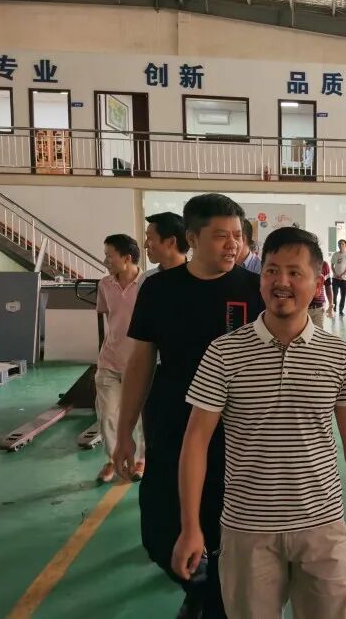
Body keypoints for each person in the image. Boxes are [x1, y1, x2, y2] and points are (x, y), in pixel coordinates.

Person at [173, 227, 346, 619]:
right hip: (247, 529)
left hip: (321, 524)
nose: (281, 282)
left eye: (295, 272)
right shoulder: (224, 352)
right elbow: (196, 440)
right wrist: (190, 526)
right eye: (271, 270)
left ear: (317, 283)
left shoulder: (336, 353)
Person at [113, 193, 264, 619]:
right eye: (220, 236)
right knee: (161, 528)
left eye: (237, 235)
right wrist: (125, 432)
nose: (233, 245)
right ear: (192, 238)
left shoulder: (254, 290)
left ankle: (212, 597)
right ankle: (197, 584)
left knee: (226, 526)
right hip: (173, 422)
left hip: (237, 429)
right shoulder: (159, 289)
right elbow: (141, 362)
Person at [94, 234, 145, 484]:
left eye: (109, 256)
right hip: (109, 362)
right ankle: (113, 460)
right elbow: (110, 319)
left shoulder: (147, 283)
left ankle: (140, 460)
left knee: (142, 417)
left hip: (140, 363)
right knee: (107, 415)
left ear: (127, 258)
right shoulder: (105, 284)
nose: (106, 261)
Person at [144, 212, 189, 276]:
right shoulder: (146, 278)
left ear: (171, 242)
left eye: (149, 238)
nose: (145, 245)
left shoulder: (199, 277)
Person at [308, 259, 334, 329]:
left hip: (319, 308)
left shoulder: (324, 265)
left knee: (318, 332)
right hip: (303, 307)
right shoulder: (302, 262)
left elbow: (328, 286)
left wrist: (331, 305)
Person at [331, 239, 346, 316]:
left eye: (342, 244)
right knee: (335, 295)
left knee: (343, 296)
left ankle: (341, 311)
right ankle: (334, 310)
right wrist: (335, 273)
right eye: (339, 244)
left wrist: (343, 275)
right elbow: (332, 265)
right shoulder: (335, 254)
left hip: (344, 279)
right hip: (335, 278)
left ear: (345, 245)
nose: (341, 245)